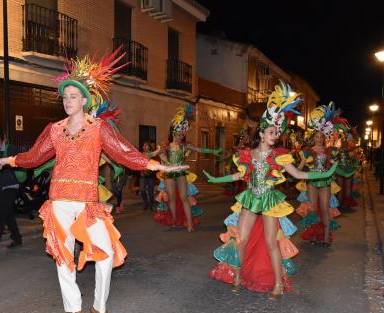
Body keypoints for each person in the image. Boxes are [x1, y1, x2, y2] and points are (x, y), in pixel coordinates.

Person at [0, 48, 185, 313]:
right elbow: (34, 157)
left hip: (88, 203)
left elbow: (124, 153)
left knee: (105, 253)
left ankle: (99, 308)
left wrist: (157, 166)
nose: (67, 101)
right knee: (63, 256)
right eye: (65, 96)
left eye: (73, 96)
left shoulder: (99, 128)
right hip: (59, 201)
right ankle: (75, 309)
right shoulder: (54, 129)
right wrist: (7, 160)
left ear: (84, 100)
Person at [205, 82, 336, 299]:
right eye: (272, 131)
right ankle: (237, 276)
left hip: (269, 201)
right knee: (240, 240)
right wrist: (217, 178)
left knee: (272, 243)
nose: (276, 134)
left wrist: (323, 173)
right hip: (249, 200)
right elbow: (240, 176)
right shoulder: (247, 154)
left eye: (277, 131)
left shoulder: (279, 155)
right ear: (262, 133)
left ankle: (277, 283)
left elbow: (299, 175)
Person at [154, 103, 222, 232]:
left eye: (181, 135)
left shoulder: (185, 146)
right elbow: (161, 155)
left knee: (184, 197)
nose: (180, 137)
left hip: (180, 173)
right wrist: (167, 162)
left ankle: (190, 223)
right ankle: (174, 219)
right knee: (172, 198)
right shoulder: (165, 146)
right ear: (173, 132)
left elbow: (199, 148)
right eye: (178, 134)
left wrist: (213, 152)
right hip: (169, 174)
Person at [296, 102, 345, 246]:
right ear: (313, 137)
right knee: (312, 209)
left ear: (324, 138)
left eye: (321, 137)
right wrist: (300, 163)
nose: (319, 139)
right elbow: (300, 168)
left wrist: (338, 158)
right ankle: (313, 235)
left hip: (325, 181)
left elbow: (334, 165)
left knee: (324, 208)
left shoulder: (329, 151)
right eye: (317, 136)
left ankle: (325, 237)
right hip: (311, 181)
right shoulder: (307, 151)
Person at [140, 142, 158, 211]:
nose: (144, 147)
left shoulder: (150, 154)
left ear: (149, 147)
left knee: (150, 191)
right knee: (142, 190)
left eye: (146, 145)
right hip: (142, 175)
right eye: (143, 145)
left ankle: (151, 205)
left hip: (150, 175)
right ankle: (146, 203)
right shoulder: (140, 154)